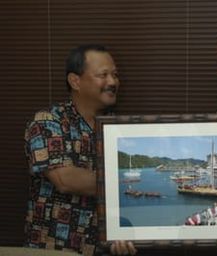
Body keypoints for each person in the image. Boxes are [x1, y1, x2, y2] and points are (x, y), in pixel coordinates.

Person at [24, 44, 137, 256]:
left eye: (115, 75)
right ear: (75, 81)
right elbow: (65, 179)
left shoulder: (117, 127)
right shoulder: (48, 121)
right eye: (103, 75)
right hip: (56, 249)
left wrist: (127, 234)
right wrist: (126, 182)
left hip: (104, 249)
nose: (113, 82)